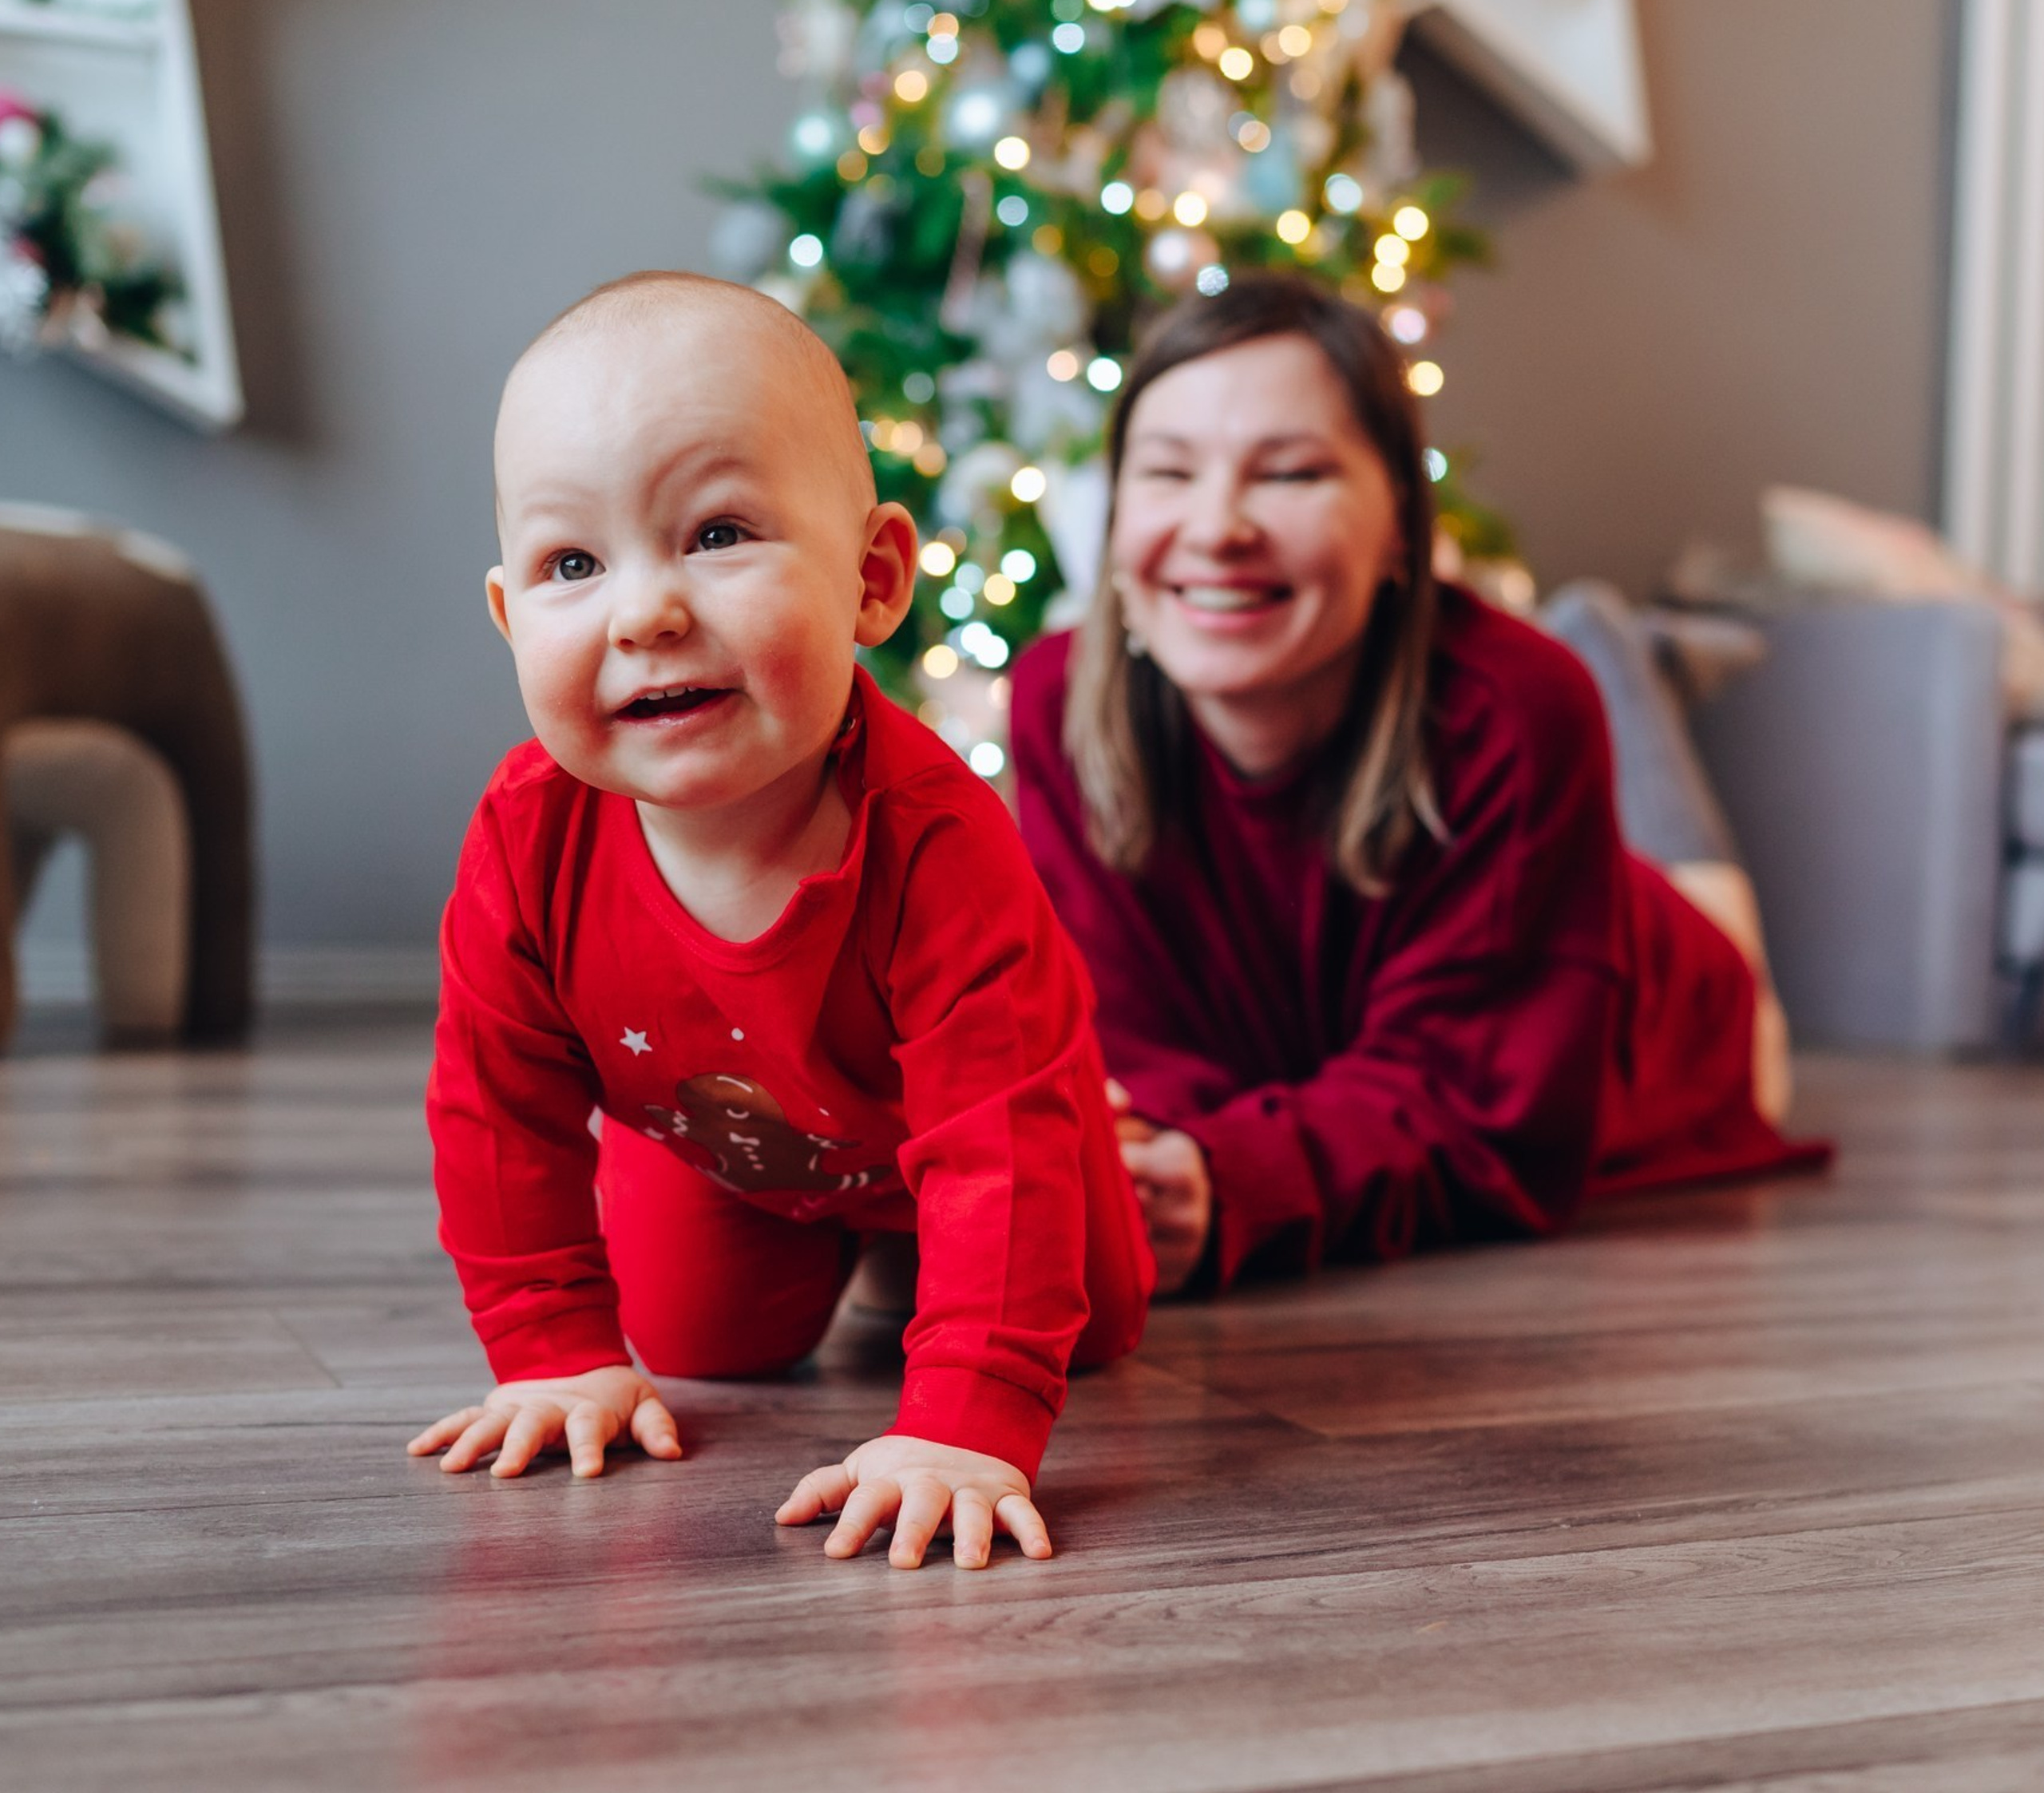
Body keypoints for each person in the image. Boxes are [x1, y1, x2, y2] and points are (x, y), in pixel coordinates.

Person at [408, 271, 1151, 1567]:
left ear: (873, 582)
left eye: (717, 534)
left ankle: (1077, 1163)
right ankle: (876, 1244)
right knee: (704, 1347)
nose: (647, 611)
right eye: (573, 563)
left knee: (1087, 1323)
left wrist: (965, 1424)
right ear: (508, 614)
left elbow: (1000, 1149)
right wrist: (552, 1348)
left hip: (978, 1120)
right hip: (735, 1141)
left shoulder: (937, 844)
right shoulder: (528, 836)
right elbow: (496, 1103)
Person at [1010, 274, 1826, 1296]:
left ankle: (1623, 656)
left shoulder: (1519, 708)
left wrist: (1232, 1176)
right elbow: (1122, 1038)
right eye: (1167, 473)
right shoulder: (1053, 699)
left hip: (1665, 1027)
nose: (1216, 527)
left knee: (1654, 841)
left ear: (1401, 522)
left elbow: (1484, 1110)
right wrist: (1146, 1154)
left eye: (1292, 473)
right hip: (1368, 1034)